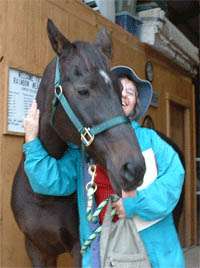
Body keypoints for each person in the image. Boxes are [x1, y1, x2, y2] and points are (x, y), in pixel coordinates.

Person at [23, 65, 185, 268]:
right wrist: (31, 141)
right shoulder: (85, 150)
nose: (124, 95)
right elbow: (52, 181)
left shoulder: (151, 141)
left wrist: (134, 205)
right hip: (102, 251)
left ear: (136, 104)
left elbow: (173, 180)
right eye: (119, 90)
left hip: (153, 254)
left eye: (131, 92)